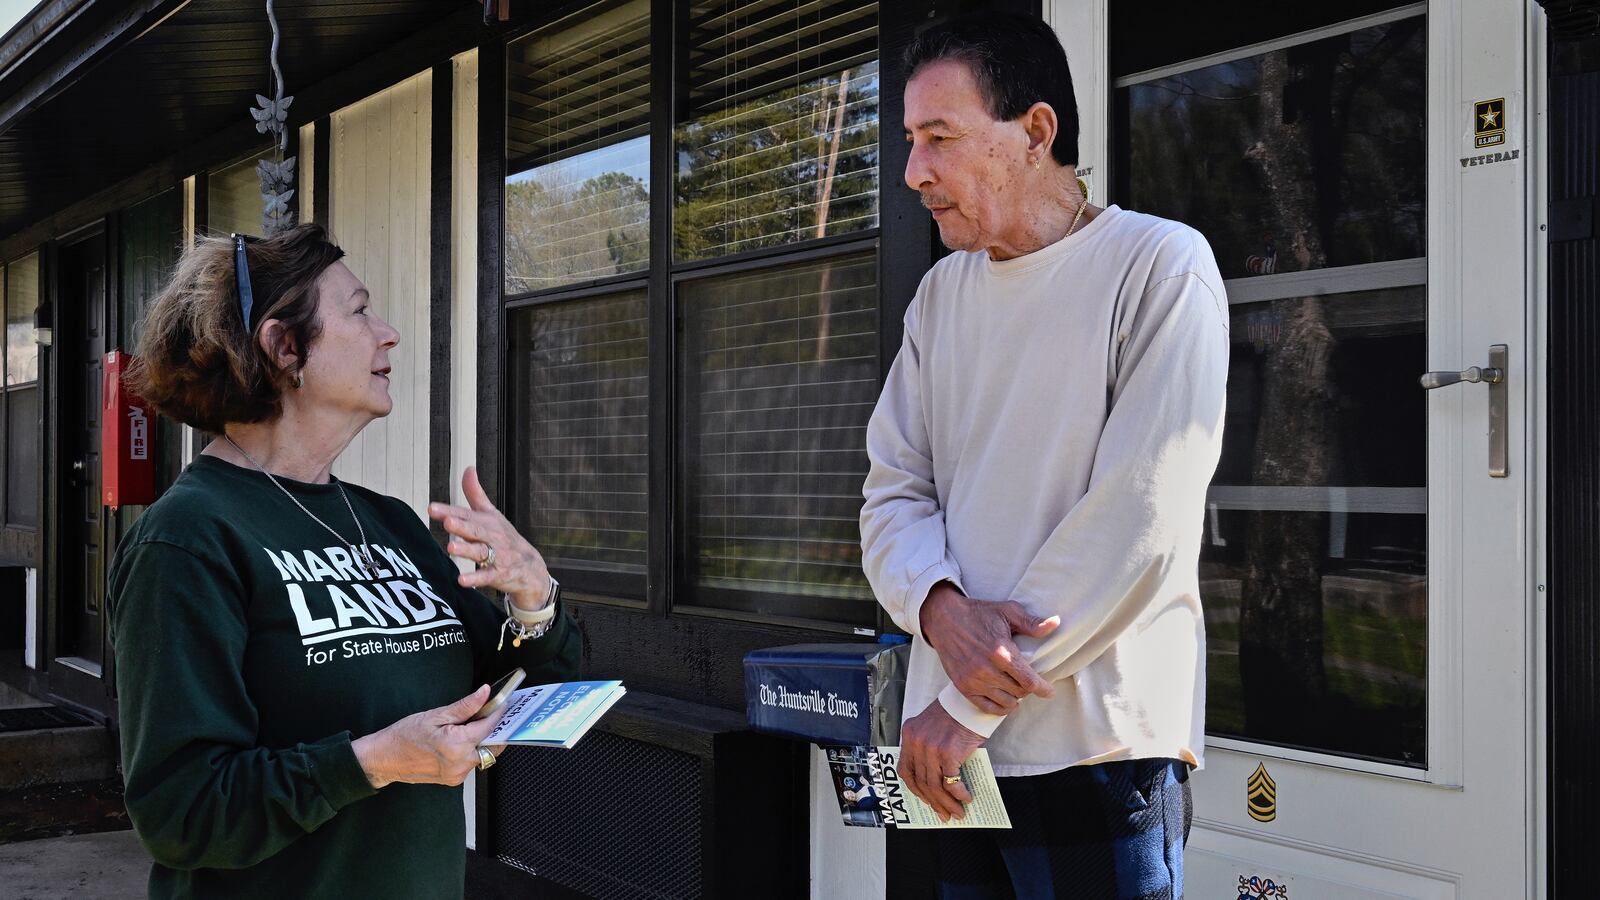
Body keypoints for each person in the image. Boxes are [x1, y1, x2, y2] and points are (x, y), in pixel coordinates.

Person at [859, 12, 1228, 898]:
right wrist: (939, 608)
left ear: (1035, 131)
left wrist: (966, 701)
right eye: (911, 141)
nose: (914, 172)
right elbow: (891, 494)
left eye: (939, 137)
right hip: (940, 753)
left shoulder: (1160, 266)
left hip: (1095, 743)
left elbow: (1141, 520)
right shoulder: (940, 297)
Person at [108, 223, 581, 899]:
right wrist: (372, 762)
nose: (387, 333)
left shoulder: (385, 521)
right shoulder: (186, 541)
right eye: (359, 311)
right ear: (284, 346)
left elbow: (514, 692)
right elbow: (180, 812)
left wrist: (534, 598)